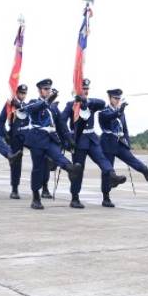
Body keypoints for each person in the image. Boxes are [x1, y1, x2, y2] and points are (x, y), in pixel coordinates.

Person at [60, 79, 127, 208]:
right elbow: (62, 121)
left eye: (87, 89)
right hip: (78, 140)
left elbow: (102, 103)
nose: (86, 91)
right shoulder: (71, 105)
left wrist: (87, 101)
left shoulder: (91, 103)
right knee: (78, 169)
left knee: (103, 160)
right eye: (83, 89)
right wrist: (68, 138)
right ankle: (75, 198)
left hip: (92, 138)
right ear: (77, 91)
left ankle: (112, 177)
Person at [21, 79, 83, 210]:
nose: (48, 91)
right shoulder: (33, 103)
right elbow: (36, 108)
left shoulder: (54, 108)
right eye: (45, 89)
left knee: (57, 155)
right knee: (37, 169)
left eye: (49, 89)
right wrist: (47, 101)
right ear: (39, 90)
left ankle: (70, 168)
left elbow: (61, 124)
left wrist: (68, 138)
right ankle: (36, 197)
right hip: (36, 139)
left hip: (50, 138)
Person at [97, 88, 148, 207]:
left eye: (119, 99)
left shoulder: (121, 112)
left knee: (131, 158)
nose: (117, 100)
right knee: (108, 171)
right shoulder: (103, 111)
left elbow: (125, 128)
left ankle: (147, 172)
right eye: (115, 98)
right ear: (110, 98)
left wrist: (128, 142)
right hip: (108, 142)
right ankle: (106, 197)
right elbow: (110, 117)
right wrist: (120, 111)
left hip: (120, 142)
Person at [7, 84, 29, 199]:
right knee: (16, 162)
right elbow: (1, 120)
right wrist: (4, 134)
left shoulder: (28, 105)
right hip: (15, 136)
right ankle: (14, 189)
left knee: (42, 156)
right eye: (20, 93)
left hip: (28, 135)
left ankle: (44, 187)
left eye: (24, 93)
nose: (22, 95)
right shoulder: (10, 105)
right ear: (16, 93)